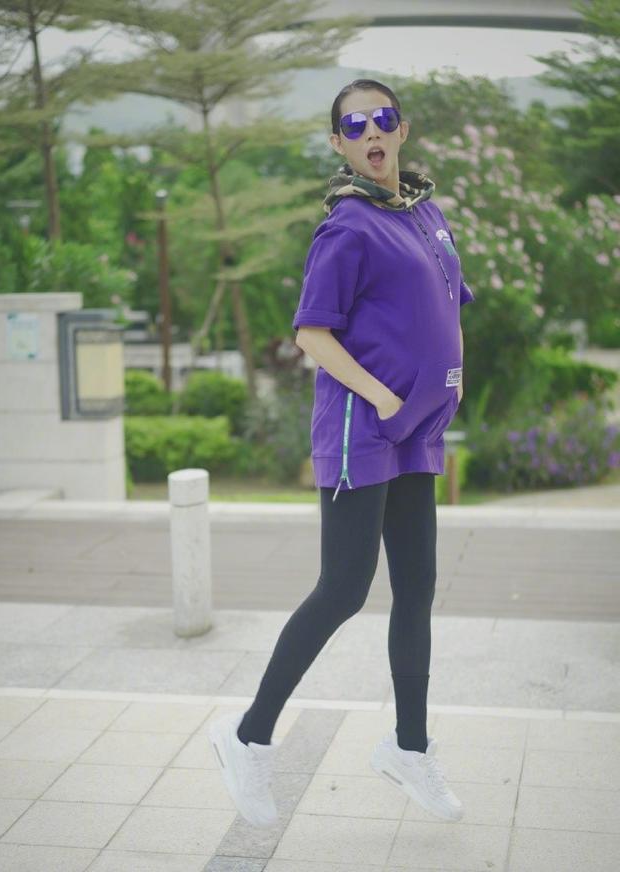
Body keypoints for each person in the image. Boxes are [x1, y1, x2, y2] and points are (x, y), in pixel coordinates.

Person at [208, 78, 475, 829]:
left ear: (402, 129)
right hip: (365, 428)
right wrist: (385, 398)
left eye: (382, 119)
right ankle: (247, 736)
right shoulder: (348, 226)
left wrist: (447, 384)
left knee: (417, 587)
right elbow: (311, 334)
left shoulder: (423, 212)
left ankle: (409, 749)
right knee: (344, 590)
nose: (371, 132)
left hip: (417, 429)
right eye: (355, 125)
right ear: (339, 144)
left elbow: (449, 307)